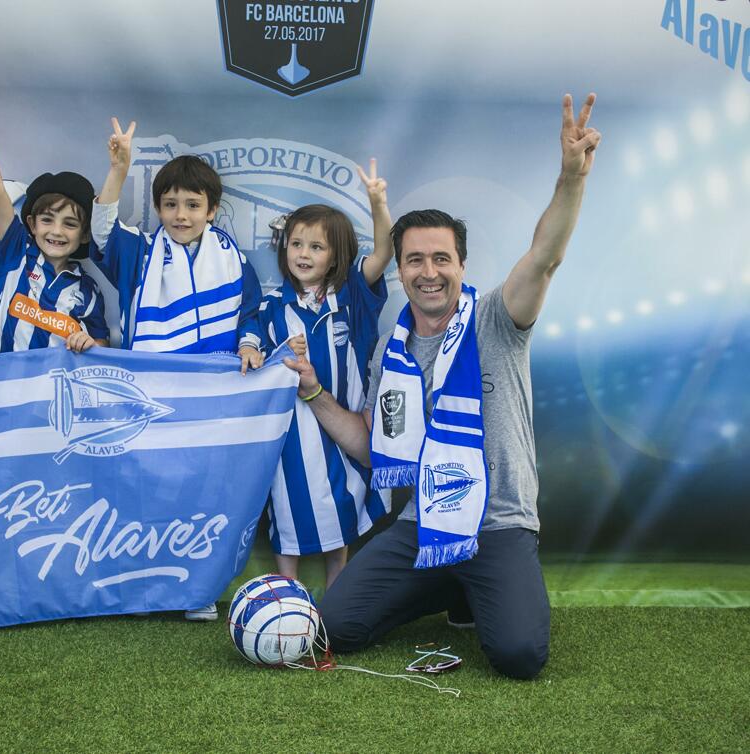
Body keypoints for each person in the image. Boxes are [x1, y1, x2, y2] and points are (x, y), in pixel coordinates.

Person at [284, 94, 602, 679]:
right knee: (337, 628)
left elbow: (544, 258)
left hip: (498, 525)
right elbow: (371, 443)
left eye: (441, 259)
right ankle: (447, 582)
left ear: (461, 265)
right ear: (400, 270)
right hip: (423, 523)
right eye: (414, 261)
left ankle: (470, 585)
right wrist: (311, 390)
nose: (428, 272)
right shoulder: (392, 349)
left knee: (519, 657)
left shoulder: (497, 319)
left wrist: (571, 178)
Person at [90, 118, 265, 620]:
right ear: (158, 208)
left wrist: (249, 345)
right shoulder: (141, 253)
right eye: (170, 204)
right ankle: (141, 589)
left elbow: (251, 313)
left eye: (192, 205)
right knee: (146, 490)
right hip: (151, 392)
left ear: (211, 209)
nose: (181, 215)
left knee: (205, 494)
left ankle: (198, 590)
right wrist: (118, 169)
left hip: (211, 396)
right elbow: (103, 230)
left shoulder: (233, 260)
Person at [258, 160, 395, 589]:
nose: (303, 254)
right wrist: (263, 352)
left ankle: (337, 595)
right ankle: (288, 596)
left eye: (316, 247)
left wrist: (378, 203)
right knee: (286, 505)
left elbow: (385, 254)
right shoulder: (271, 305)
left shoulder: (351, 294)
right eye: (296, 244)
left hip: (343, 425)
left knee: (344, 502)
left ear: (337, 255)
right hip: (291, 432)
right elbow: (252, 352)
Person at [0, 102, 109, 354]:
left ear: (84, 235)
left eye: (69, 224)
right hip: (3, 378)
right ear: (32, 224)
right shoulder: (17, 254)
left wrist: (90, 343)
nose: (56, 231)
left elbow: (101, 343)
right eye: (47, 220)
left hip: (53, 381)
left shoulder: (87, 290)